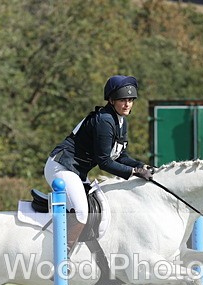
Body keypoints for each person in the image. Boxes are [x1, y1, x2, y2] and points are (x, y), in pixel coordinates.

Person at [44, 75, 154, 242]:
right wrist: (134, 172)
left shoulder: (121, 122)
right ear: (111, 100)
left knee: (97, 209)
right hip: (61, 166)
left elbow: (120, 156)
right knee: (82, 213)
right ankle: (62, 258)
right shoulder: (104, 120)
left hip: (77, 171)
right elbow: (104, 162)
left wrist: (141, 166)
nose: (127, 104)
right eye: (122, 100)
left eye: (131, 100)